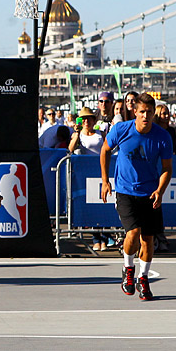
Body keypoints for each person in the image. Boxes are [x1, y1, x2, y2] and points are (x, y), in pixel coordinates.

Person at [101, 93, 172, 301]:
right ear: (135, 112)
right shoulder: (121, 130)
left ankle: (143, 278)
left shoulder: (162, 137)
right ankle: (128, 269)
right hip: (125, 191)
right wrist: (106, 181)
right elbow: (105, 150)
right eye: (142, 112)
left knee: (148, 239)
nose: (146, 116)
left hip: (149, 192)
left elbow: (167, 168)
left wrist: (160, 190)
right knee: (133, 232)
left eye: (150, 112)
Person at [69, 107, 109, 251]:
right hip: (85, 175)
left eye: (88, 118)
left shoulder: (100, 133)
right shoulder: (78, 135)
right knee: (91, 207)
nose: (86, 121)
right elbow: (70, 149)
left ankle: (104, 238)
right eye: (83, 119)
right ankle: (95, 239)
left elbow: (107, 148)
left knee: (103, 205)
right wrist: (77, 132)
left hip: (101, 172)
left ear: (93, 120)